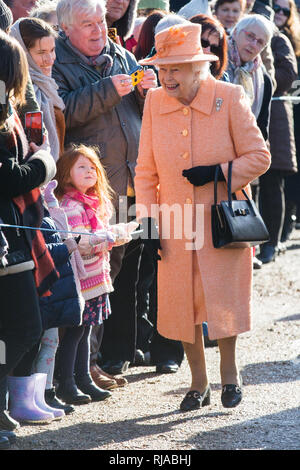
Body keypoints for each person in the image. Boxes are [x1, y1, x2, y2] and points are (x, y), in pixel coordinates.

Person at [135, 22, 271, 411]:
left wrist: (218, 173)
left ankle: (230, 374)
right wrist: (146, 222)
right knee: (182, 302)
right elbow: (145, 171)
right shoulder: (154, 102)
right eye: (163, 68)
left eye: (176, 68)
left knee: (223, 298)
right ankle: (198, 383)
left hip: (221, 218)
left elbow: (260, 157)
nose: (167, 76)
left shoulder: (228, 96)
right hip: (174, 220)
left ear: (199, 67)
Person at [52, 0, 157, 377]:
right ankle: (85, 365)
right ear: (66, 29)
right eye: (88, 24)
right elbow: (62, 113)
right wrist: (106, 91)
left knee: (128, 270)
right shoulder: (56, 60)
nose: (99, 29)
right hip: (91, 193)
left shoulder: (122, 54)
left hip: (133, 184)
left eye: (100, 21)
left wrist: (148, 92)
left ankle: (114, 355)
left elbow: (145, 114)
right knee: (95, 276)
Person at [0, 30, 57, 441]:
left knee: (15, 328)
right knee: (22, 326)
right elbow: (7, 178)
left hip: (15, 231)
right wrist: (44, 163)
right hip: (7, 232)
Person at [54, 144, 138, 403]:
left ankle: (83, 379)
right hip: (81, 282)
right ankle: (68, 383)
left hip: (94, 280)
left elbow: (100, 238)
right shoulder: (70, 205)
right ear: (67, 176)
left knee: (87, 330)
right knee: (76, 332)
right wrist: (110, 237)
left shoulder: (94, 203)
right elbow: (80, 243)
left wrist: (121, 233)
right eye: (82, 167)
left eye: (93, 167)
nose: (90, 170)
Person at [257, 14, 298, 263]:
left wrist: (260, 75)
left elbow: (287, 75)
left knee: (273, 184)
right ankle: (251, 240)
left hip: (275, 122)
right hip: (248, 116)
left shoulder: (278, 40)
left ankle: (272, 242)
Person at [11, 17, 65, 162]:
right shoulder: (16, 93)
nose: (50, 59)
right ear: (23, 53)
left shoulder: (48, 85)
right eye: (41, 53)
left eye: (52, 50)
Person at [272, 0, 300, 242]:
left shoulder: (292, 39)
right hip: (285, 107)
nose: (279, 13)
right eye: (276, 8)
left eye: (285, 10)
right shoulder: (265, 35)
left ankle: (290, 216)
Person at [226, 14, 273, 140]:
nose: (253, 44)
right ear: (235, 32)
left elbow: (261, 131)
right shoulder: (214, 64)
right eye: (250, 36)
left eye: (260, 42)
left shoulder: (264, 81)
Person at [190, 13, 228, 80]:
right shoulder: (171, 70)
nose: (207, 51)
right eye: (203, 43)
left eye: (214, 48)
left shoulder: (223, 79)